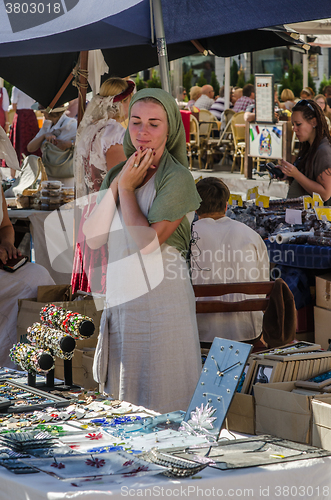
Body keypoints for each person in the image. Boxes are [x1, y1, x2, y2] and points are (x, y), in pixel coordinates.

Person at [84, 88, 202, 413]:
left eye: (154, 123)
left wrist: (126, 189)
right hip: (123, 299)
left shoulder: (176, 178)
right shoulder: (117, 174)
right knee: (126, 398)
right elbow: (93, 238)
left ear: (170, 129)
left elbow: (146, 244)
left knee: (165, 394)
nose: (143, 132)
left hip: (163, 302)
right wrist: (119, 183)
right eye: (136, 122)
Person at [71, 77, 135, 294]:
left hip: (89, 211)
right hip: (106, 213)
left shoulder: (89, 130)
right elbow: (118, 180)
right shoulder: (113, 133)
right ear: (122, 102)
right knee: (107, 284)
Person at [191, 177, 269, 343]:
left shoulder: (188, 236)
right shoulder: (251, 235)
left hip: (201, 331)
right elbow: (261, 285)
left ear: (195, 208)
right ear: (226, 206)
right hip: (247, 331)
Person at [277, 99, 331, 204]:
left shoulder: (324, 151)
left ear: (314, 122)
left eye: (298, 124)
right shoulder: (310, 146)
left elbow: (325, 194)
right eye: (293, 124)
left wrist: (296, 174)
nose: (294, 129)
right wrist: (288, 174)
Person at [27, 103, 77, 187]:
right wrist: (44, 135)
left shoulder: (71, 124)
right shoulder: (47, 125)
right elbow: (30, 148)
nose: (42, 113)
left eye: (43, 111)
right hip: (49, 175)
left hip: (67, 176)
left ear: (51, 112)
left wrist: (69, 144)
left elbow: (86, 144)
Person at [8, 87, 40, 178]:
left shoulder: (16, 88)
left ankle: (12, 176)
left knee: (17, 144)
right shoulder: (32, 87)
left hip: (20, 117)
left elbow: (14, 106)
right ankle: (33, 175)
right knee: (32, 143)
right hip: (31, 116)